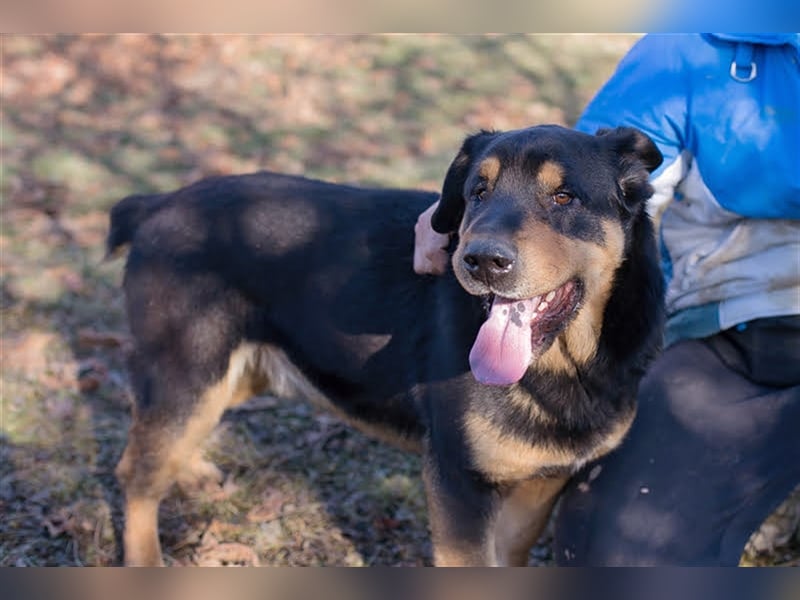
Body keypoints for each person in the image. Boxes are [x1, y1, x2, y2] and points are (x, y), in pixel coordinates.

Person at [413, 33, 800, 566]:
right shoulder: (700, 43)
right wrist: (459, 209)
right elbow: (586, 160)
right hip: (737, 314)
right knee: (615, 555)